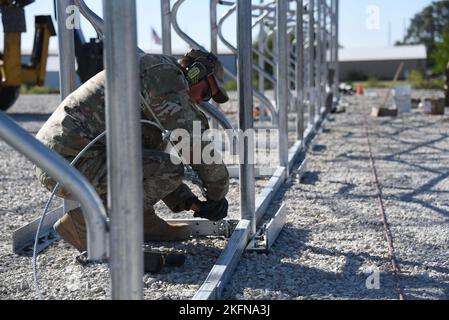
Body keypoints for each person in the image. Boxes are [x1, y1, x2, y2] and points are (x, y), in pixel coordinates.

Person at [35, 49, 230, 253]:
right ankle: (83, 224)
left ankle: (142, 221)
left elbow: (150, 162)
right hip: (68, 162)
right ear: (195, 73)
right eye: (206, 92)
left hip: (66, 158)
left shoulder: (156, 78)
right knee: (171, 168)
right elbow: (193, 143)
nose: (201, 101)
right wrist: (218, 191)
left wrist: (190, 202)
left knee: (160, 158)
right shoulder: (165, 76)